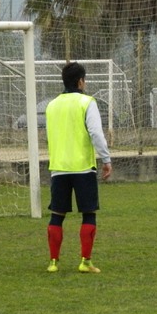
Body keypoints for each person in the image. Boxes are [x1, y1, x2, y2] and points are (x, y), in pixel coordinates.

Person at [45, 62, 113, 274]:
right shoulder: (87, 102)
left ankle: (53, 262)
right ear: (81, 81)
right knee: (88, 213)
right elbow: (95, 133)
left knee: (57, 215)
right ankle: (85, 261)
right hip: (83, 166)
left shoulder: (52, 105)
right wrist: (106, 159)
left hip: (58, 168)